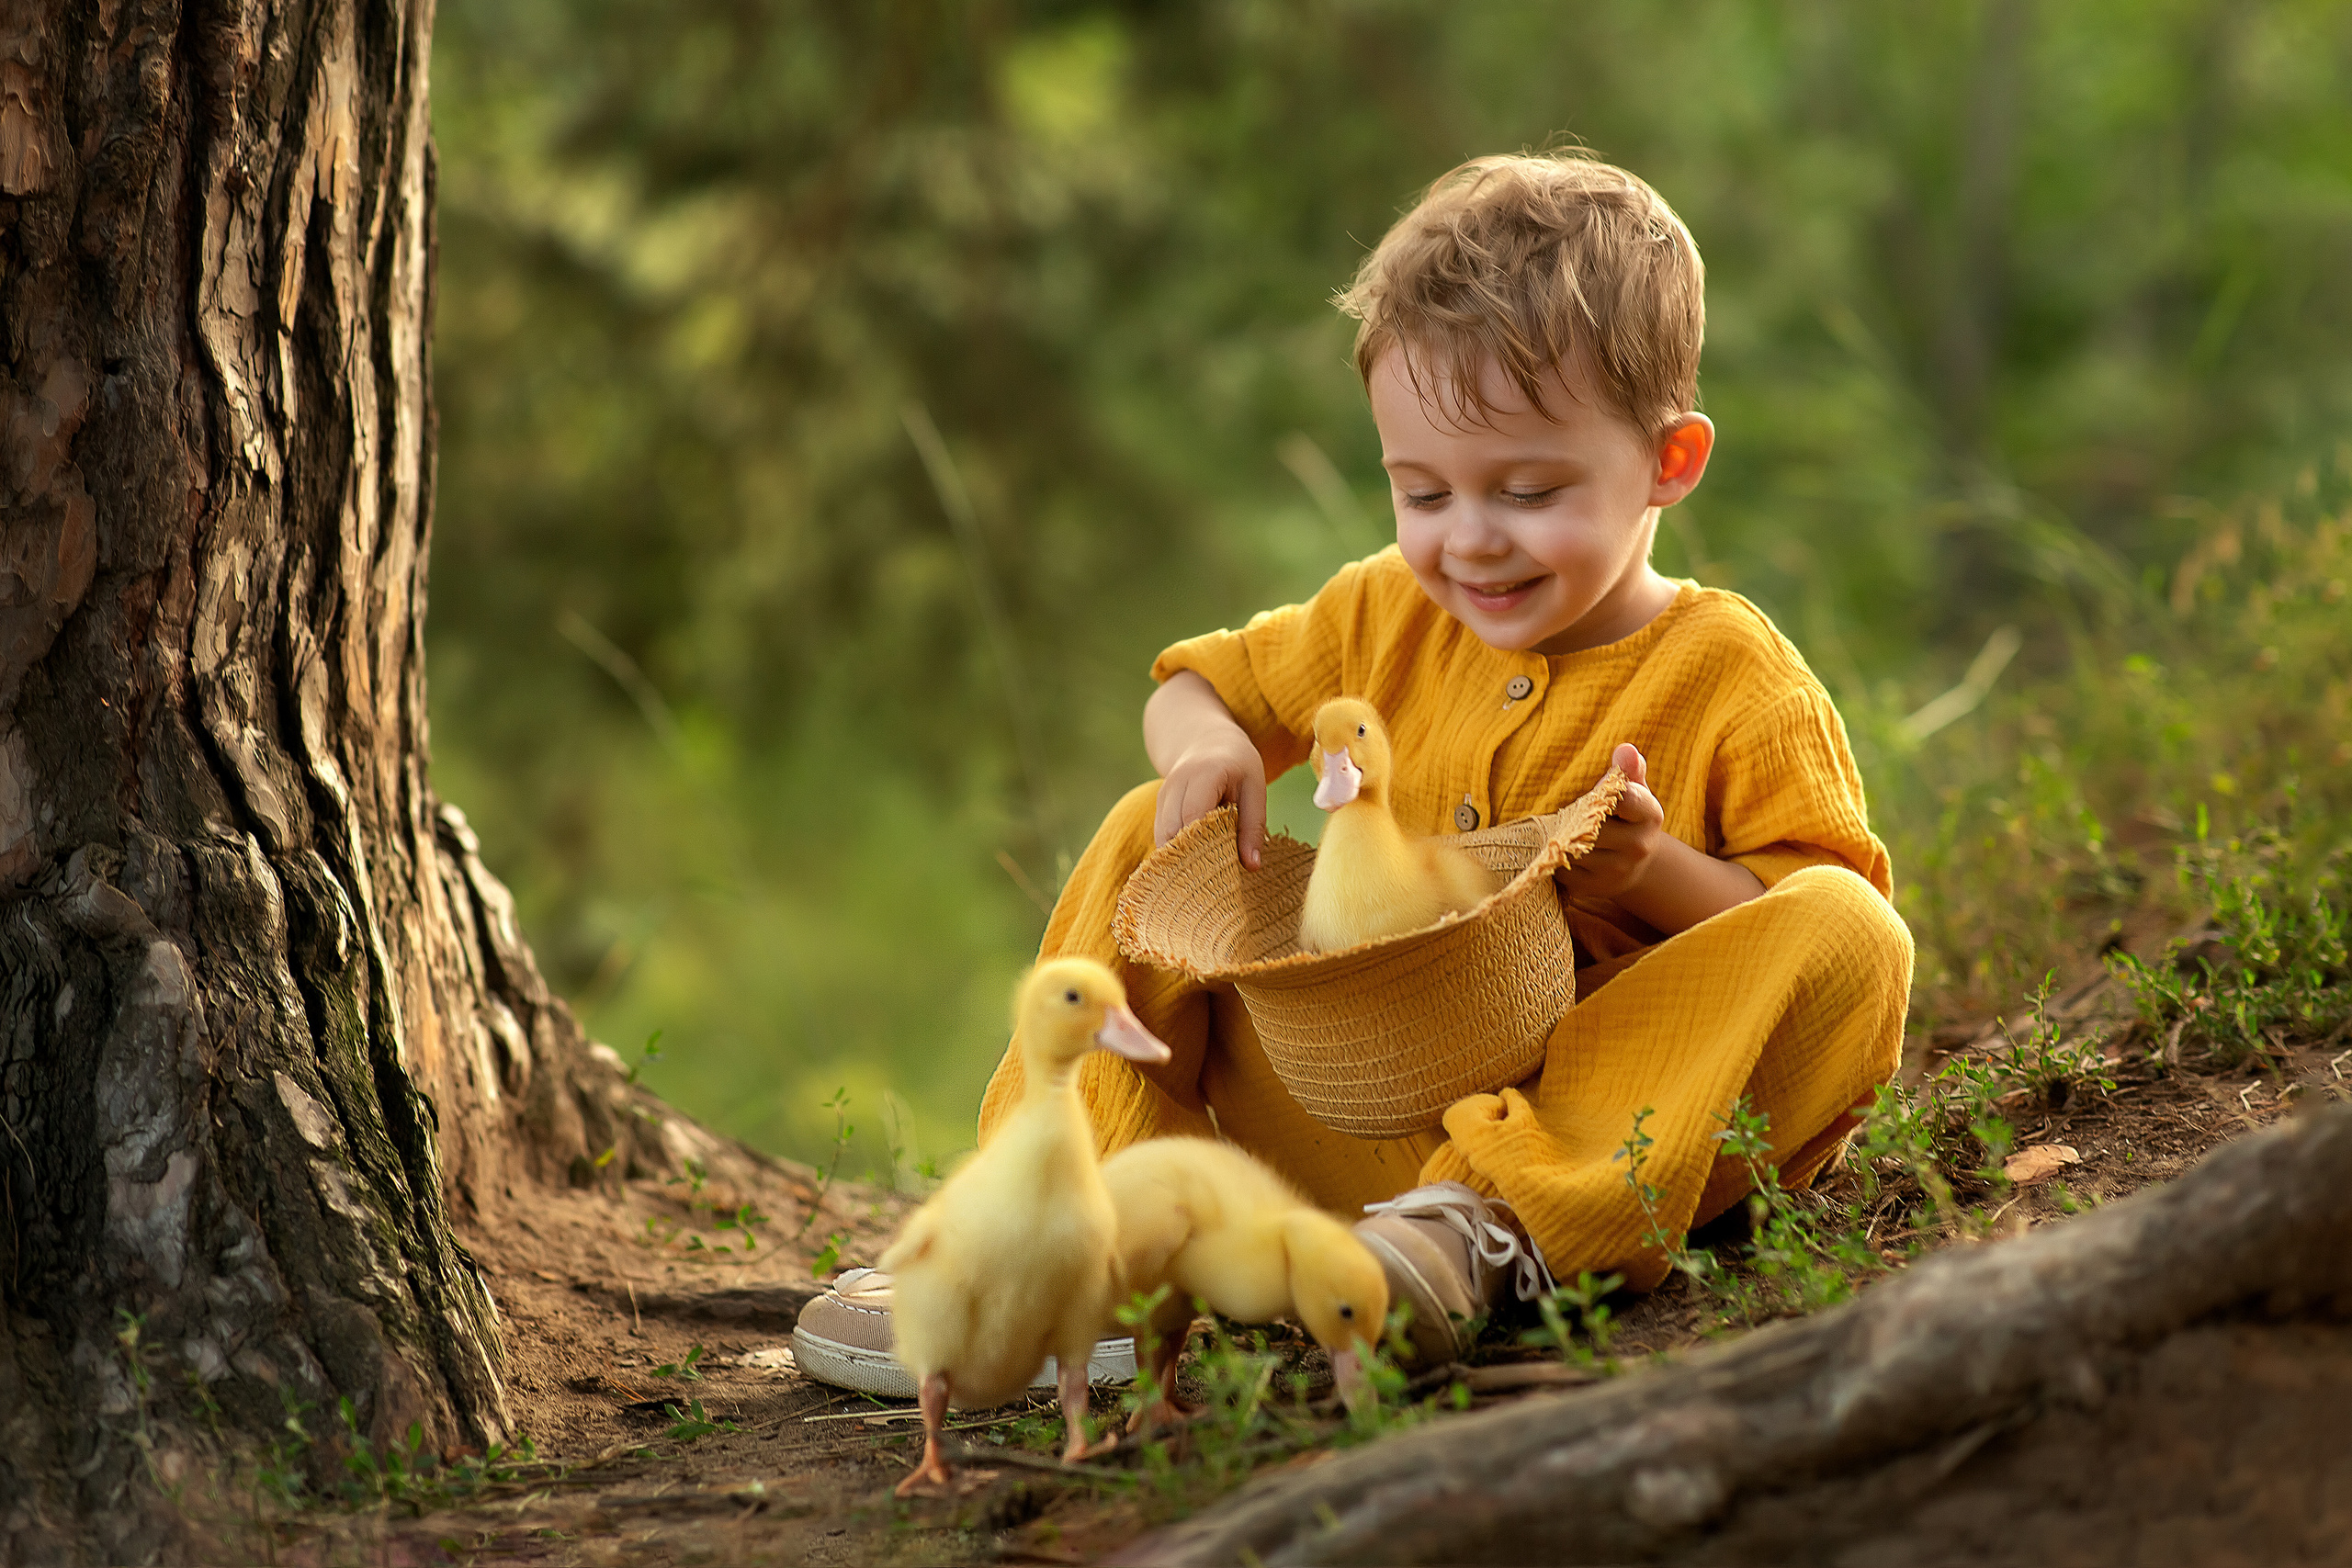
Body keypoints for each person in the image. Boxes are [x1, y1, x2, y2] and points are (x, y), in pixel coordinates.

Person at [795, 151, 1912, 1385]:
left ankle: (1482, 1238)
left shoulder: (1735, 679)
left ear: (1670, 462)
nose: (1470, 539)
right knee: (1140, 836)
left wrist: (1659, 876)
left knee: (1854, 929)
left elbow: (1794, 925)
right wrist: (1212, 745)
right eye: (1421, 491)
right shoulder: (1381, 616)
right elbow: (1196, 682)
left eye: (1530, 490)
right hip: (1350, 1113)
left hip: (1611, 1132)